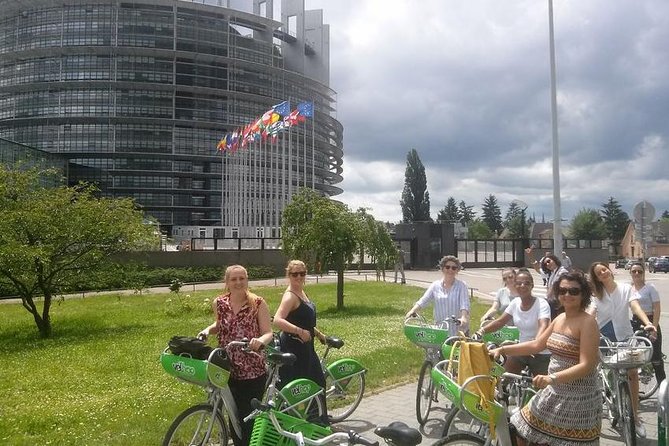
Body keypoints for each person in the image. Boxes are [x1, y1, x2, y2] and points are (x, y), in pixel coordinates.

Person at [491, 270, 601, 445]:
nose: (567, 295)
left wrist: (552, 378)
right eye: (563, 290)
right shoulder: (560, 318)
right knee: (521, 430)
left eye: (574, 291)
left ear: (583, 294)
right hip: (555, 392)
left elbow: (587, 365)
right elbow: (537, 345)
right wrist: (503, 350)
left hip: (578, 398)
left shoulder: (587, 323)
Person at [198, 265, 274, 446]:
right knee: (233, 417)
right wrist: (208, 330)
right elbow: (219, 325)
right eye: (234, 279)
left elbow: (268, 332)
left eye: (242, 278)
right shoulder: (219, 303)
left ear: (247, 280)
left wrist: (260, 341)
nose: (238, 282)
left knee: (246, 418)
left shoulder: (258, 303)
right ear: (227, 282)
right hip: (226, 367)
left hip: (251, 370)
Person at [588, 261, 657, 438]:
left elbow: (635, 306)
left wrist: (648, 323)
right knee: (598, 370)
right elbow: (591, 312)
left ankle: (635, 416)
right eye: (598, 273)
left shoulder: (626, 288)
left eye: (604, 269)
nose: (603, 273)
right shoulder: (596, 294)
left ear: (609, 270)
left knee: (632, 372)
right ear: (596, 278)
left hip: (625, 335)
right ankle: (598, 404)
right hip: (605, 337)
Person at [272, 260, 328, 423]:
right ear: (288, 275)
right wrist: (300, 331)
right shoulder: (290, 296)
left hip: (306, 348)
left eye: (302, 273)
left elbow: (303, 319)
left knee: (316, 383)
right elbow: (277, 320)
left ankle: (315, 419)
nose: (298, 277)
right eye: (294, 274)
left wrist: (318, 334)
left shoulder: (302, 292)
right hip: (294, 347)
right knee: (299, 386)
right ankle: (302, 421)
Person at [477, 269, 551, 375]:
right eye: (519, 283)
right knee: (505, 377)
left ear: (532, 285)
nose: (522, 286)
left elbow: (543, 326)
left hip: (541, 352)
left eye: (527, 283)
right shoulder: (515, 303)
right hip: (522, 349)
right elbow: (500, 322)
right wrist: (481, 331)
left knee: (540, 387)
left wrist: (537, 341)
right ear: (515, 285)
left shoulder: (542, 304)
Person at [405, 255, 470, 336]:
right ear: (442, 269)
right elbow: (424, 300)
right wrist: (413, 310)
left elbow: (464, 304)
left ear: (457, 270)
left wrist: (463, 317)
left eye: (454, 268)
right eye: (447, 267)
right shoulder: (435, 285)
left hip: (458, 330)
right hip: (440, 330)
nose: (450, 270)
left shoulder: (461, 285)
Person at [629, 261, 666, 385]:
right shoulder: (628, 289)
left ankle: (663, 388)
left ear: (643, 273)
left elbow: (657, 308)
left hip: (650, 321)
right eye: (634, 271)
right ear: (630, 273)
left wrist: (654, 327)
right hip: (635, 322)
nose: (637, 273)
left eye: (639, 271)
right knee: (631, 354)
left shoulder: (650, 288)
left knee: (656, 358)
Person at [526, 248, 568, 319]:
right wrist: (531, 256)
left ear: (555, 260)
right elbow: (538, 269)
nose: (547, 264)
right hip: (552, 303)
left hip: (560, 304)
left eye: (549, 261)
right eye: (545, 264)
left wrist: (547, 299)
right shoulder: (551, 273)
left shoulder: (562, 272)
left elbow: (557, 287)